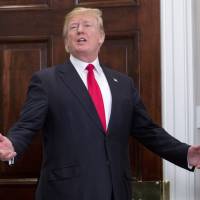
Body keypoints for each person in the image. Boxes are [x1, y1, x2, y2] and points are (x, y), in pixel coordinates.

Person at [0, 7, 200, 200]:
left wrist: (185, 154)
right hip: (66, 191)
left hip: (116, 190)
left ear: (101, 37)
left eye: (87, 25)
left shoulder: (123, 83)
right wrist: (13, 143)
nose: (80, 30)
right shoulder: (46, 81)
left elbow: (148, 131)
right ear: (66, 42)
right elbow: (27, 124)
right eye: (73, 27)